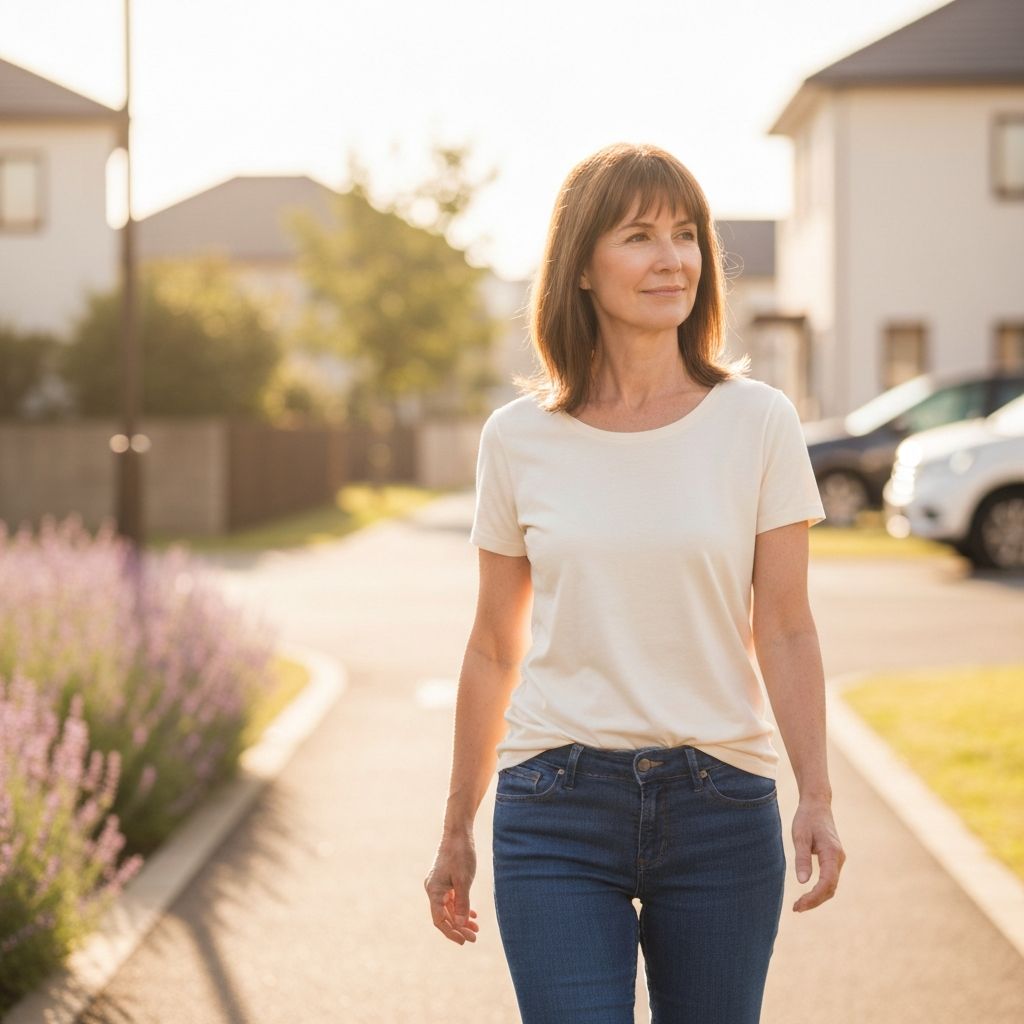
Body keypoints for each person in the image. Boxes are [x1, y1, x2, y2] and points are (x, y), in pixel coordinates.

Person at [423, 142, 846, 1024]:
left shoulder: (759, 422)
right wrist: (458, 823)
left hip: (720, 805)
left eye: (687, 235)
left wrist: (818, 794)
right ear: (581, 267)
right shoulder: (517, 438)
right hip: (555, 807)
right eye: (641, 236)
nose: (674, 259)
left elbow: (786, 627)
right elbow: (492, 644)